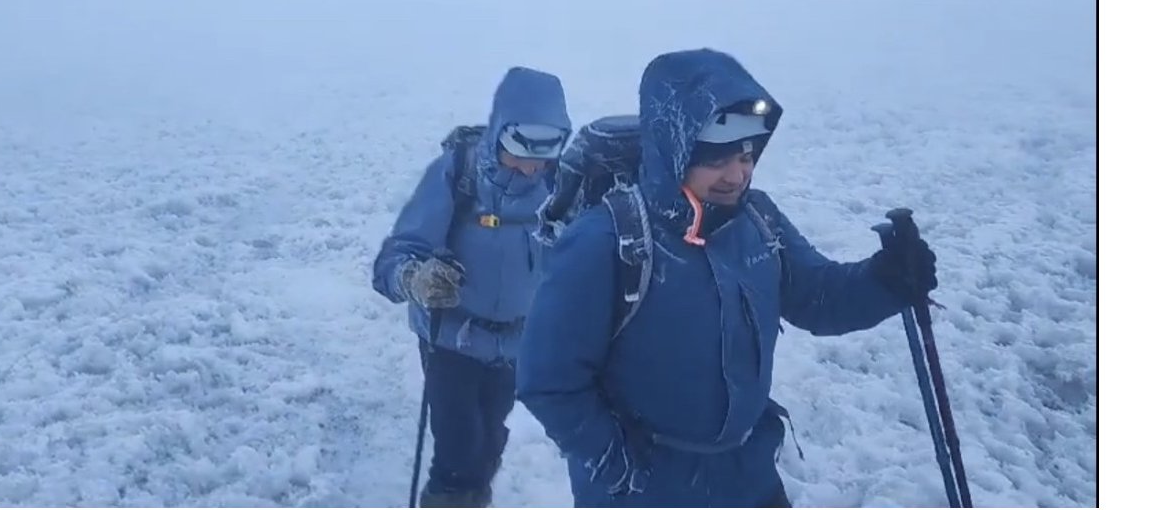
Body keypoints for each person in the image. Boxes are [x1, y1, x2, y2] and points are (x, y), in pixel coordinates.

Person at [515, 48, 937, 508]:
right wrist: (615, 463)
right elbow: (548, 378)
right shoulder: (606, 241)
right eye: (716, 159)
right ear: (676, 148)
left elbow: (819, 297)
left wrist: (886, 280)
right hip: (646, 489)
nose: (738, 175)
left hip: (747, 477)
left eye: (747, 154)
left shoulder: (758, 221)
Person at [372, 66, 573, 507]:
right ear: (500, 131)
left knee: (489, 440)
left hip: (514, 344)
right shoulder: (458, 175)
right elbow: (395, 256)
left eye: (545, 151)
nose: (530, 165)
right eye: (520, 148)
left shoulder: (559, 186)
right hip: (450, 340)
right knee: (459, 449)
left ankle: (472, 495)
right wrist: (415, 277)